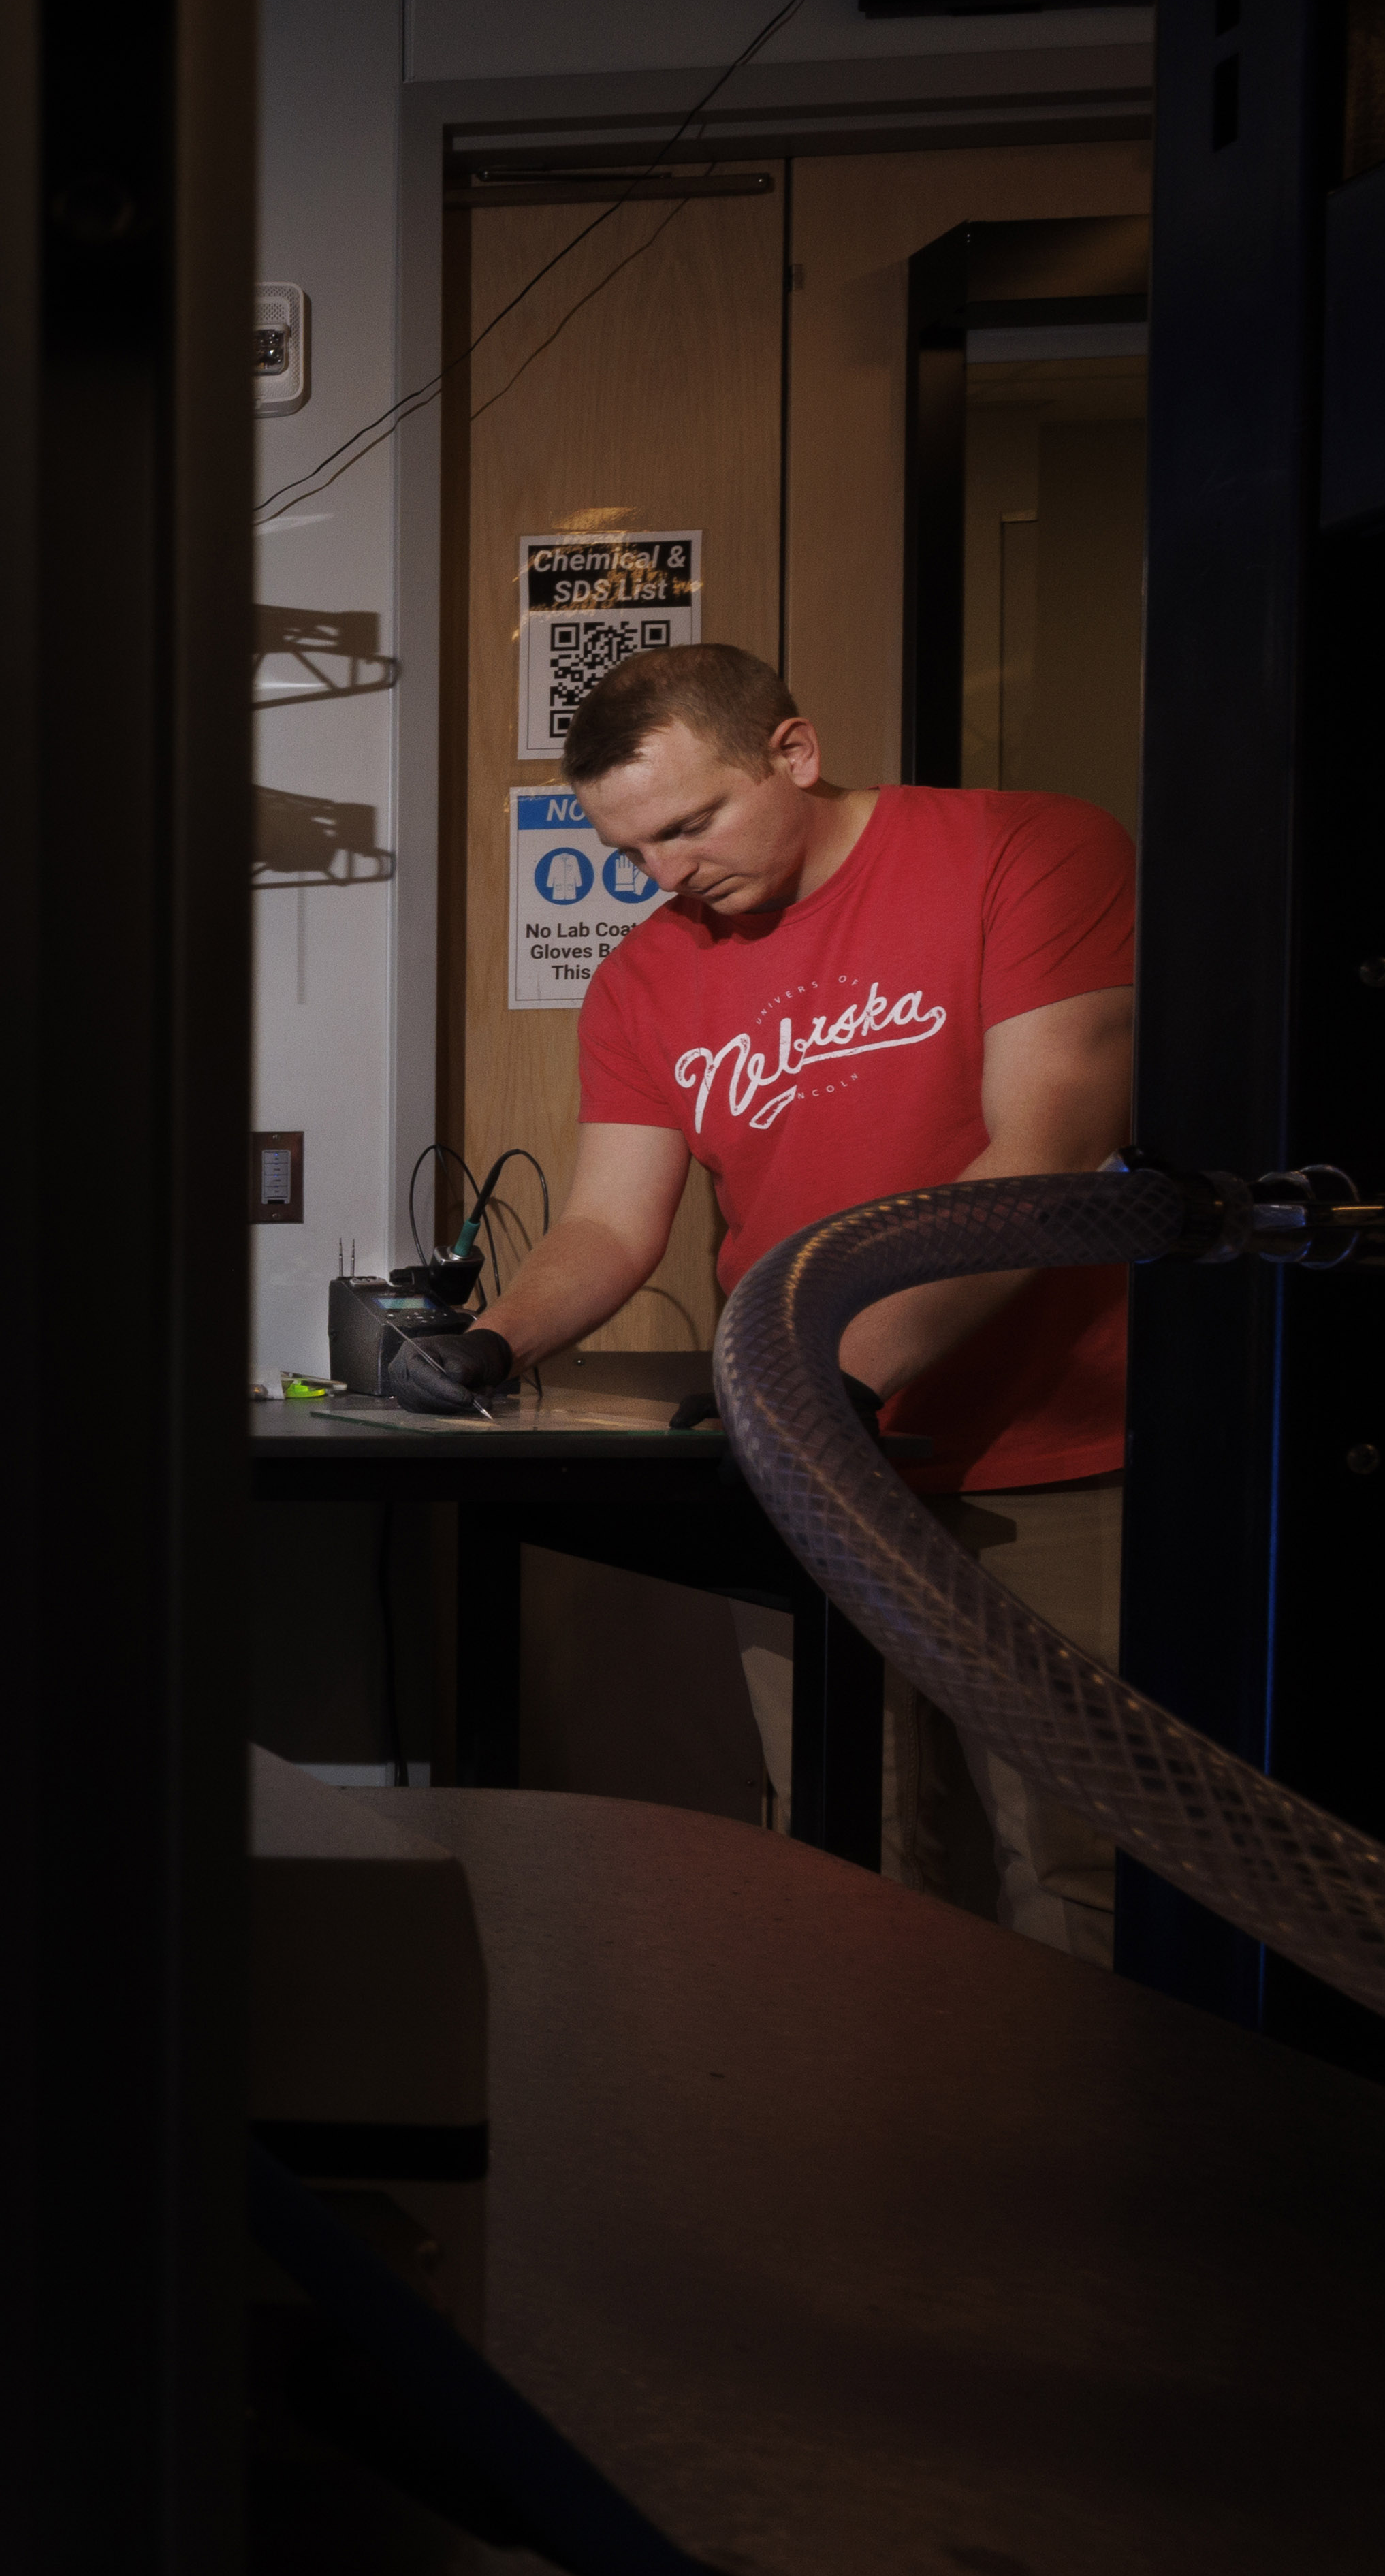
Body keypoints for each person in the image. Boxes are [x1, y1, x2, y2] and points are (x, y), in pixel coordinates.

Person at [385, 643, 1135, 1956]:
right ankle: (880, 2159)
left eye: (687, 825)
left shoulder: (1026, 850)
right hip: (807, 1474)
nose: (665, 876)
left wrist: (822, 1372)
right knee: (852, 1863)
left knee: (1075, 1874)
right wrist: (491, 1341)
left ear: (792, 753)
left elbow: (1045, 1154)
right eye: (634, 852)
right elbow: (610, 1224)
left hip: (1046, 1459)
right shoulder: (644, 976)